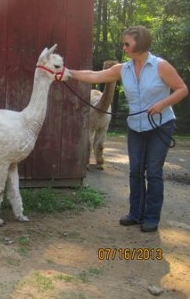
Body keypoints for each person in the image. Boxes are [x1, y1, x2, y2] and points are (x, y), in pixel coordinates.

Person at [69, 26, 188, 232]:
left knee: (153, 172)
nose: (123, 47)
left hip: (160, 125)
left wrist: (161, 104)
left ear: (139, 44)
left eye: (127, 44)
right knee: (135, 171)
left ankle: (151, 218)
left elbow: (182, 89)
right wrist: (67, 73)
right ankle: (135, 214)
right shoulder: (123, 69)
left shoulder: (161, 66)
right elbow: (95, 76)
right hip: (136, 127)